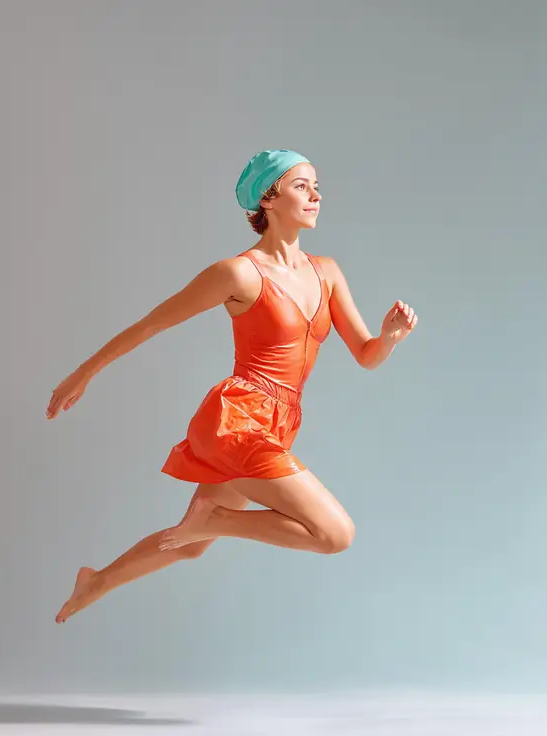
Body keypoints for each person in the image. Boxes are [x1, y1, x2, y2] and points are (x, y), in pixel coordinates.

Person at [46, 149, 418, 623]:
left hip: (280, 422)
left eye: (317, 185)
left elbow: (367, 356)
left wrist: (388, 338)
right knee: (334, 534)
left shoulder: (327, 272)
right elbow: (150, 325)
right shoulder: (239, 273)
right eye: (302, 185)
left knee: (189, 547)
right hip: (238, 418)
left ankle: (96, 581)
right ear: (268, 197)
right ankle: (215, 520)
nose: (316, 194)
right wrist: (83, 373)